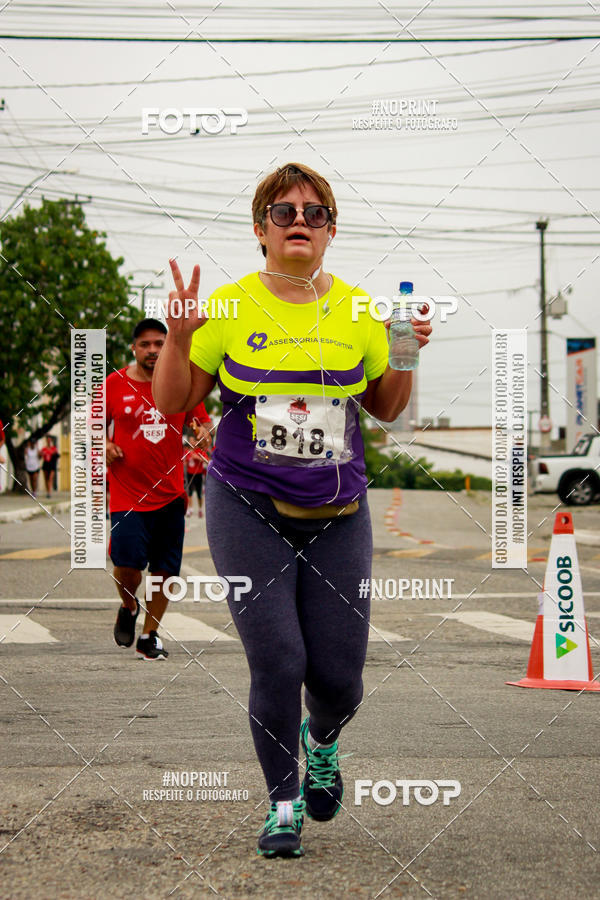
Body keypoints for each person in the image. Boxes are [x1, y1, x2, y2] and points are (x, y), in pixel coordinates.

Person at [153, 162, 431, 856]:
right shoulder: (229, 307)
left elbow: (389, 409)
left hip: (339, 511)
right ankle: (282, 803)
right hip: (246, 503)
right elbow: (171, 401)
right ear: (261, 229)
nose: (298, 220)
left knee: (340, 681)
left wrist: (404, 352)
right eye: (283, 211)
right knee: (278, 658)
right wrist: (182, 339)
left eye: (314, 211)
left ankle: (322, 739)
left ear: (331, 230)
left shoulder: (363, 312)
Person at [106, 318, 211, 660]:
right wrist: (103, 444)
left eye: (160, 344)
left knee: (165, 571)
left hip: (170, 493)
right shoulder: (113, 384)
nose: (153, 350)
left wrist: (202, 432)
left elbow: (201, 423)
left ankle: (149, 635)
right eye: (145, 344)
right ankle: (128, 605)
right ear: (134, 348)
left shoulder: (183, 382)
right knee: (127, 565)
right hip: (126, 494)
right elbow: (88, 428)